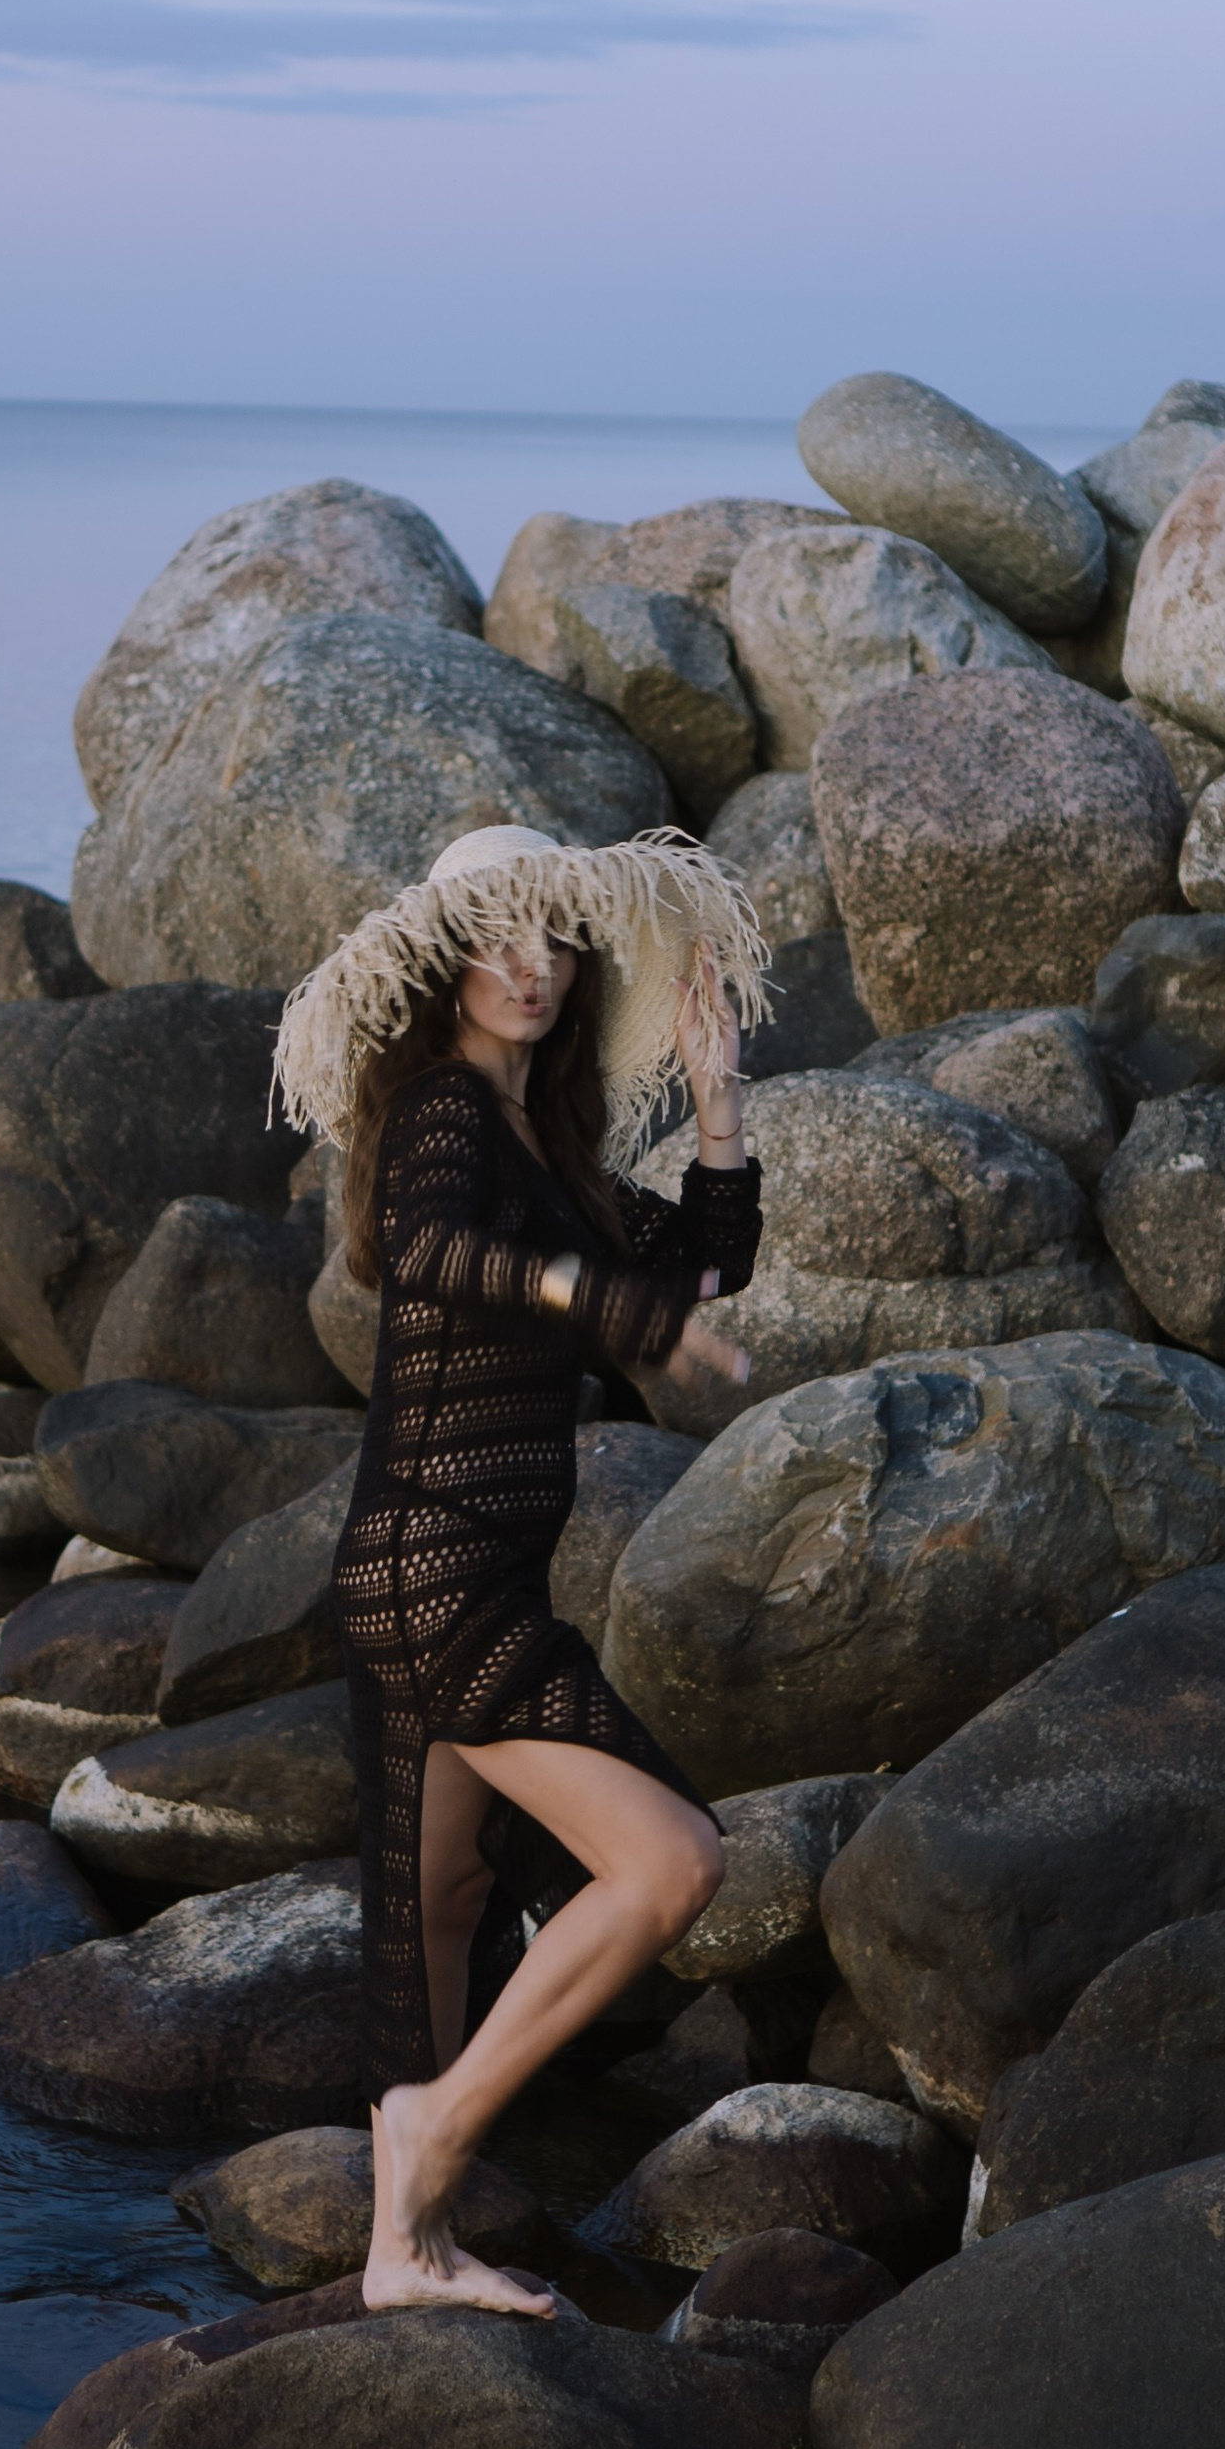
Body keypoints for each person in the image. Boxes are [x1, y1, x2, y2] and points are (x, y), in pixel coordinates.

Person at [272, 821, 768, 2315]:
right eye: (494, 938)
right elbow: (431, 1252)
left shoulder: (546, 1149)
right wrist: (601, 1307)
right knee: (675, 1862)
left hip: (450, 1566)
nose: (529, 964)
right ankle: (439, 2130)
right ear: (443, 967)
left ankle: (398, 2252)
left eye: (551, 937)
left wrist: (722, 1108)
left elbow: (699, 1266)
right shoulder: (438, 1118)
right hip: (439, 1573)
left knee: (432, 1908)